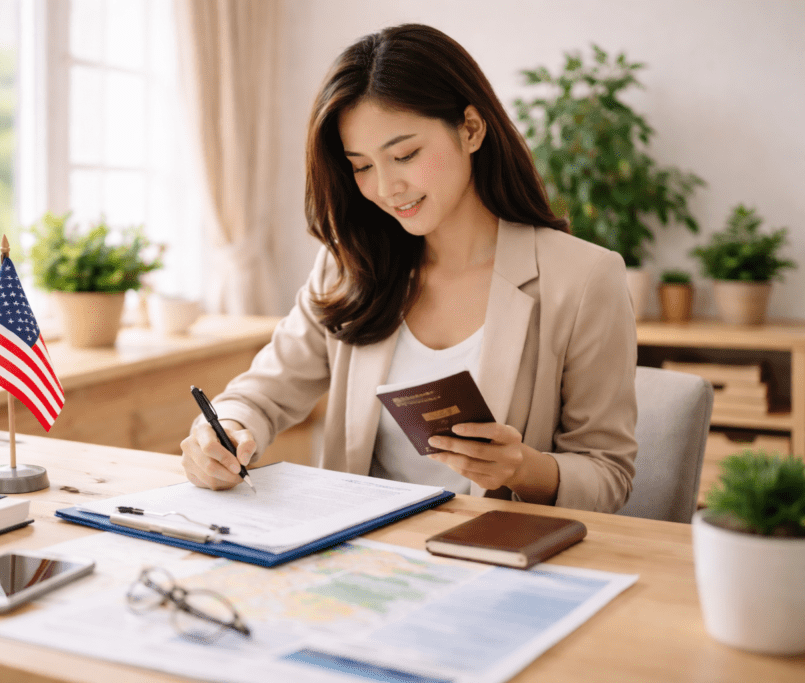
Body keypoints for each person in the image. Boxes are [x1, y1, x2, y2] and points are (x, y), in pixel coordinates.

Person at [181, 23, 637, 513]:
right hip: (362, 557)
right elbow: (262, 394)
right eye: (361, 166)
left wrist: (523, 468)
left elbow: (609, 475)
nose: (386, 187)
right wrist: (224, 428)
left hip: (496, 560)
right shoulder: (350, 266)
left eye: (405, 154)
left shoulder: (585, 278)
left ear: (471, 129)